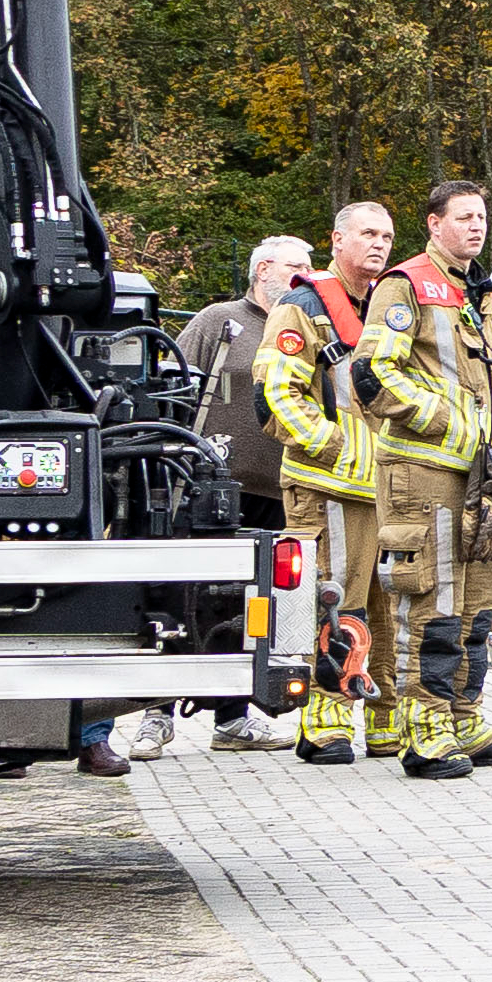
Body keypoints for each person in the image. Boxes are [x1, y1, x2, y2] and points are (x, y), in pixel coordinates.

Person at [258, 201, 428, 764]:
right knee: (336, 605)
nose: (379, 245)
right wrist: (334, 446)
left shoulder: (393, 306)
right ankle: (325, 722)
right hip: (328, 487)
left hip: (392, 487)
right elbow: (276, 396)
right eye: (367, 234)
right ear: (336, 239)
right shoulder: (302, 307)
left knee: (390, 608)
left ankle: (383, 720)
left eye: (387, 235)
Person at [373, 178, 492, 777]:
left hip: (476, 478)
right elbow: (374, 372)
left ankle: (464, 715)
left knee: (478, 605)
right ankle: (425, 726)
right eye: (463, 218)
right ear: (434, 224)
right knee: (432, 602)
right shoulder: (405, 284)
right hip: (425, 470)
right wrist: (446, 424)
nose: (476, 227)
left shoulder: (476, 292)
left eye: (481, 217)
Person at [180, 235, 309, 748]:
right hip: (213, 488)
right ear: (262, 272)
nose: (306, 273)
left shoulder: (301, 325)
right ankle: (157, 713)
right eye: (295, 265)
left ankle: (233, 719)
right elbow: (175, 385)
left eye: (310, 265)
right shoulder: (219, 321)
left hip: (279, 492)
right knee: (189, 597)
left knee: (251, 605)